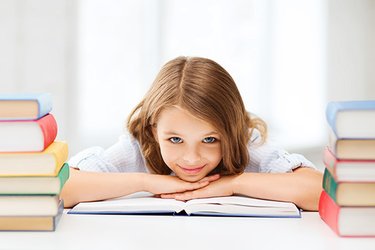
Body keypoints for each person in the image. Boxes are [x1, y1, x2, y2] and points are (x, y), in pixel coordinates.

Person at [61, 56, 323, 210]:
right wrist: (147, 182)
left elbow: (319, 190)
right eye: (175, 139)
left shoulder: (245, 144)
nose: (191, 158)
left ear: (230, 132)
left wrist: (233, 184)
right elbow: (61, 187)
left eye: (210, 139)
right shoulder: (140, 146)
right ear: (154, 130)